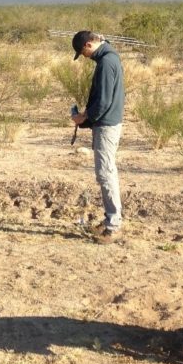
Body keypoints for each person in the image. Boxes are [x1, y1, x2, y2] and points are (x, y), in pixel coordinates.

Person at [70, 30, 125, 244]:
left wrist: (84, 117)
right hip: (108, 123)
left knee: (105, 173)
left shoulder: (105, 63)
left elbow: (102, 102)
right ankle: (111, 219)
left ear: (87, 46)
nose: (84, 57)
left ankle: (113, 225)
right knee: (107, 171)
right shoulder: (110, 57)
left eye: (82, 53)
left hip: (107, 126)